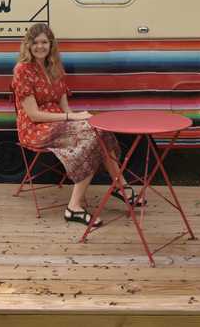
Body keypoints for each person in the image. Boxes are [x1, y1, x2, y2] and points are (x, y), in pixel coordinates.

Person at [12, 23, 142, 227]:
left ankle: (120, 186)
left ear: (51, 44)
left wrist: (79, 120)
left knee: (100, 131)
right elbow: (34, 115)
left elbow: (65, 106)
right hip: (35, 128)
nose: (40, 47)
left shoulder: (55, 67)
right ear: (28, 45)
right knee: (91, 140)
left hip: (59, 120)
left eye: (44, 42)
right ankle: (74, 207)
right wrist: (71, 119)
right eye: (35, 42)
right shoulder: (22, 70)